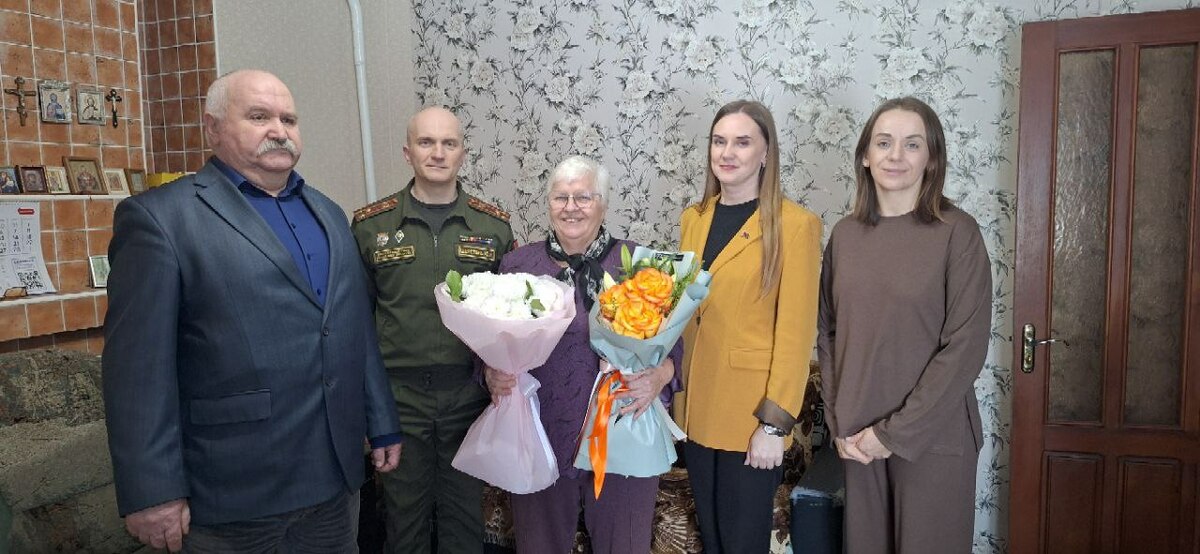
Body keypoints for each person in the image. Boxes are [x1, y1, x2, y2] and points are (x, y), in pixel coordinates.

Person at [102, 69, 402, 553]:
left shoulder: (329, 213)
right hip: (230, 492)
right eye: (259, 117)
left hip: (333, 482)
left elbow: (353, 329)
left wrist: (381, 420)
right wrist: (151, 489)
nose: (279, 130)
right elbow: (136, 369)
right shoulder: (161, 219)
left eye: (289, 119)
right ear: (213, 127)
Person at [817, 96, 992, 553]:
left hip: (933, 437)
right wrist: (839, 421)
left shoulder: (958, 232)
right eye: (884, 143)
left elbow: (965, 347)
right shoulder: (844, 236)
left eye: (912, 144)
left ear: (931, 159)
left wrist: (892, 434)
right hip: (858, 436)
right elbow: (829, 335)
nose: (896, 155)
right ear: (865, 155)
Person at [483, 155, 682, 553]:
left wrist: (658, 377)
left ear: (603, 204)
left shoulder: (638, 266)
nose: (571, 207)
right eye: (561, 197)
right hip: (540, 433)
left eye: (583, 197)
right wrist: (490, 372)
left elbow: (674, 347)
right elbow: (489, 342)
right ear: (549, 204)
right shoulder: (517, 266)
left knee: (624, 546)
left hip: (622, 431)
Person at [351, 106, 515, 553]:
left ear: (463, 153)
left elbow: (510, 321)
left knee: (465, 523)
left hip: (469, 397)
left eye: (449, 143)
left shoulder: (492, 227)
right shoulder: (372, 226)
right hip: (399, 401)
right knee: (403, 524)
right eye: (426, 142)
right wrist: (367, 409)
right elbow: (356, 326)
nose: (438, 153)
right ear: (408, 153)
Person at [674, 99, 822, 553]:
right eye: (719, 141)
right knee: (714, 542)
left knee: (742, 544)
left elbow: (796, 336)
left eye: (742, 142)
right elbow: (684, 313)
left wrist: (774, 426)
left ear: (765, 152)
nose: (727, 152)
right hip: (696, 409)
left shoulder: (795, 226)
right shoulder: (694, 218)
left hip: (750, 418)